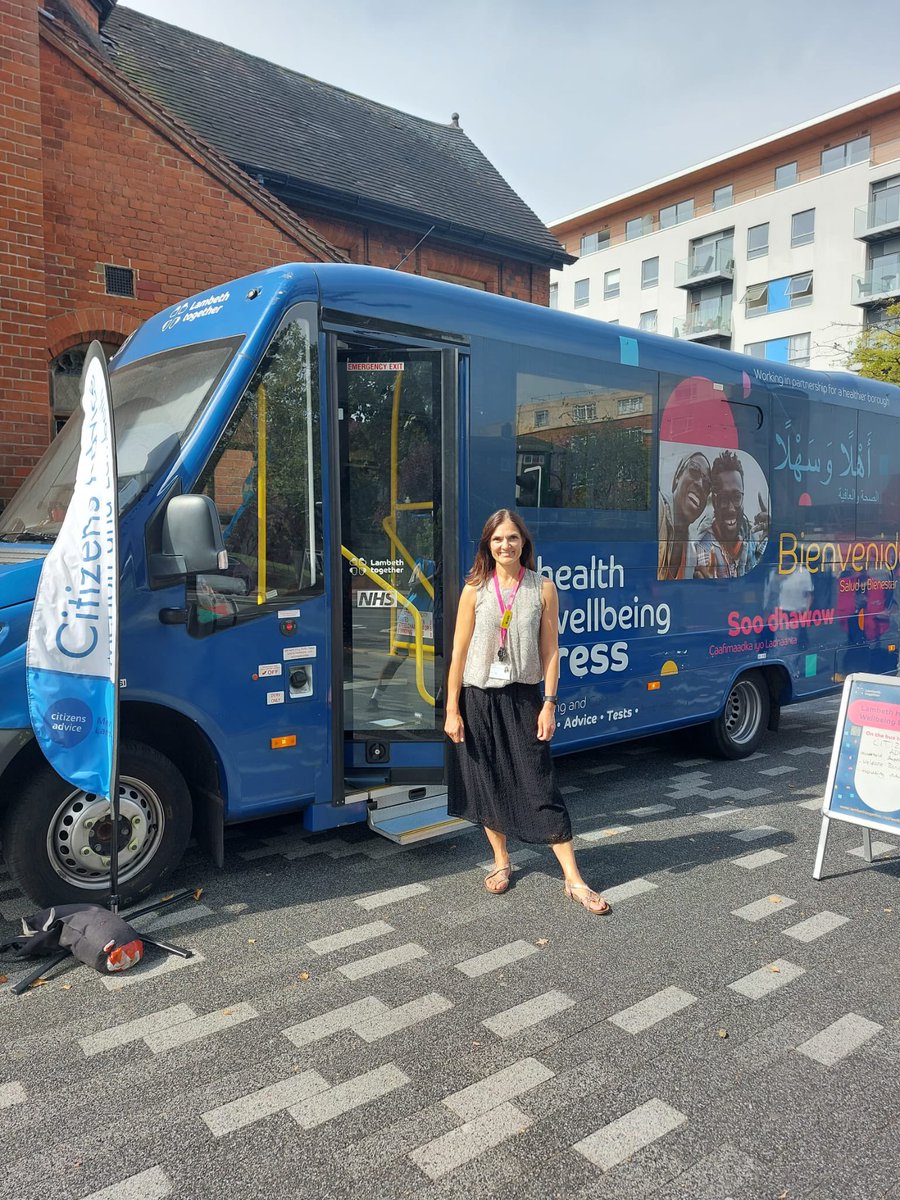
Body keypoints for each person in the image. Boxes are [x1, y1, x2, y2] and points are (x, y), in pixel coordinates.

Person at [444, 508, 611, 914]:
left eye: (513, 538)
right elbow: (459, 652)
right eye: (498, 539)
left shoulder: (542, 588)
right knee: (487, 780)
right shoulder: (474, 590)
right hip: (477, 698)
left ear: (524, 543)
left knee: (540, 784)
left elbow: (550, 650)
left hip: (524, 697)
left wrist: (549, 702)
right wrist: (451, 707)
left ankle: (573, 879)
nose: (506, 545)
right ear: (488, 544)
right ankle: (502, 861)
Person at [693, 450, 768, 579]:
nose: (731, 508)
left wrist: (773, 537)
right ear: (715, 501)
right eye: (723, 499)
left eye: (737, 497)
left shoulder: (754, 537)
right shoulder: (703, 548)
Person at [658, 450, 711, 580]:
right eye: (694, 470)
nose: (700, 484)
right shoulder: (658, 508)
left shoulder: (692, 554)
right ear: (677, 477)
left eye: (707, 485)